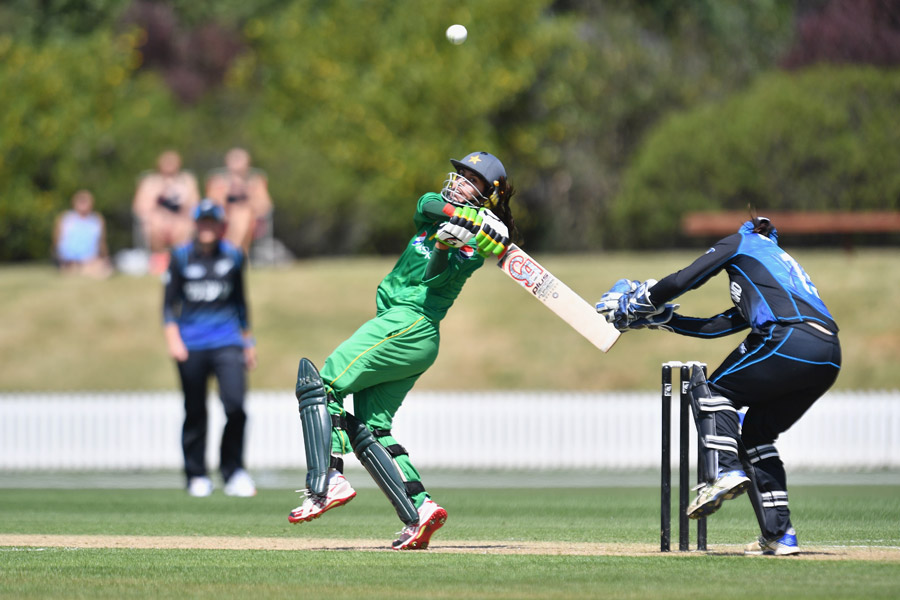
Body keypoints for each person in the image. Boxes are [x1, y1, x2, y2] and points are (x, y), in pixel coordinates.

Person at [288, 151, 515, 550]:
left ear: (488, 193)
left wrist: (457, 243)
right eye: (460, 173)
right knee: (373, 430)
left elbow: (437, 277)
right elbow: (427, 203)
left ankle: (327, 478)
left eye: (471, 179)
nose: (460, 181)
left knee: (321, 383)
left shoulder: (475, 248)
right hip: (408, 333)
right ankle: (420, 510)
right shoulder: (435, 213)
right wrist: (461, 222)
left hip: (410, 322)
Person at [596, 215, 841, 556]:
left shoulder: (743, 242)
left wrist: (641, 302)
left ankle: (724, 471)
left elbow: (686, 278)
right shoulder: (774, 271)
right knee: (756, 434)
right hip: (828, 355)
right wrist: (666, 321)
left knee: (711, 389)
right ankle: (780, 534)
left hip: (789, 336)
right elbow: (717, 327)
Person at [163, 199, 259, 498]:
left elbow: (241, 301)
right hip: (191, 344)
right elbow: (168, 305)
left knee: (236, 407)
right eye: (202, 222)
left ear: (220, 226)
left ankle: (233, 472)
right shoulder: (180, 257)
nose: (206, 227)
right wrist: (174, 340)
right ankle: (196, 475)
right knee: (195, 411)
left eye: (211, 222)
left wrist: (248, 341)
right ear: (196, 225)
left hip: (228, 341)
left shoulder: (232, 256)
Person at [133, 150, 201, 274]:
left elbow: (194, 205)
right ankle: (160, 259)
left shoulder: (187, 180)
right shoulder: (150, 182)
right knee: (154, 224)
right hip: (156, 220)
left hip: (181, 219)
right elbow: (141, 207)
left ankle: (180, 260)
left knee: (184, 227)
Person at [205, 147, 273, 253]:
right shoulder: (218, 181)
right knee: (239, 215)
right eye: (234, 159)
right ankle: (236, 254)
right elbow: (211, 205)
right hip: (222, 220)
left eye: (239, 159)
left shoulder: (256, 182)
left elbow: (265, 206)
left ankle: (231, 252)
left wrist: (249, 195)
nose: (236, 163)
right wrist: (226, 193)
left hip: (251, 221)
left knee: (242, 214)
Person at [52, 189, 114, 279]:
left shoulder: (96, 220)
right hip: (69, 259)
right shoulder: (66, 218)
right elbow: (57, 240)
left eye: (85, 201)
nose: (83, 204)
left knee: (104, 267)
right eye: (81, 201)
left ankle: (84, 270)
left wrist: (105, 257)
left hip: (90, 258)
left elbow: (101, 242)